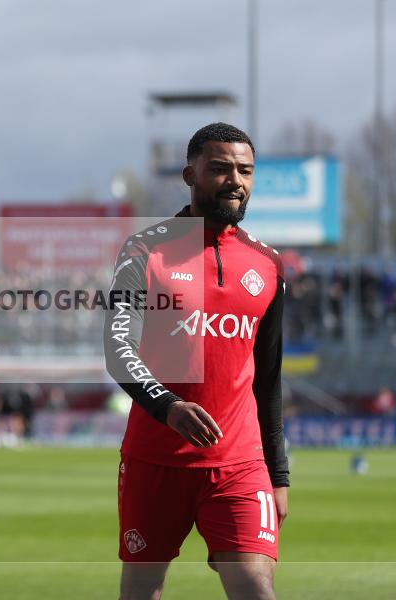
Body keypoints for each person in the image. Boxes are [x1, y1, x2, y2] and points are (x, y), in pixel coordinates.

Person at [105, 122, 289, 600]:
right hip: (155, 460)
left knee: (255, 588)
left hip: (239, 463)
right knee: (141, 593)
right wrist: (168, 406)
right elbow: (117, 347)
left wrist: (279, 473)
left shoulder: (268, 265)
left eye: (245, 171)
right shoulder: (145, 251)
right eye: (220, 168)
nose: (235, 180)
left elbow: (268, 380)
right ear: (190, 174)